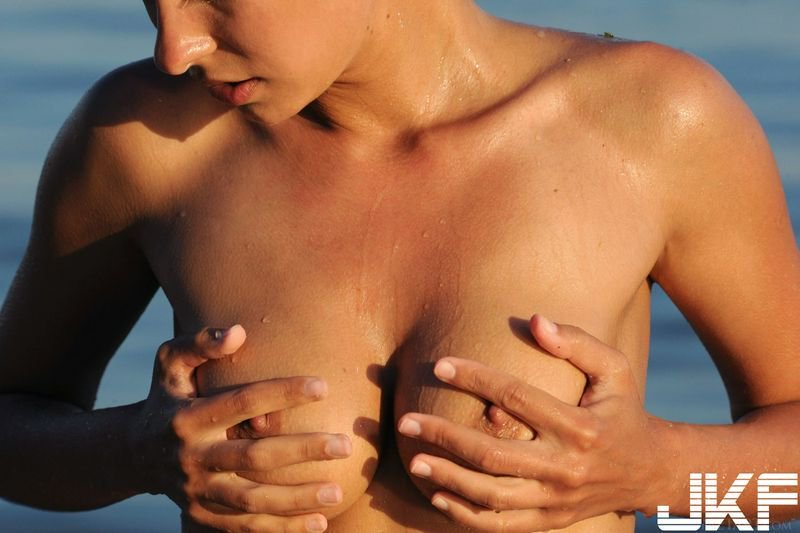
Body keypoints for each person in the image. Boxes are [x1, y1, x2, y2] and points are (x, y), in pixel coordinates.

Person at [0, 1, 798, 532]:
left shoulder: (651, 125)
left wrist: (656, 477)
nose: (175, 47)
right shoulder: (146, 140)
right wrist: (132, 454)